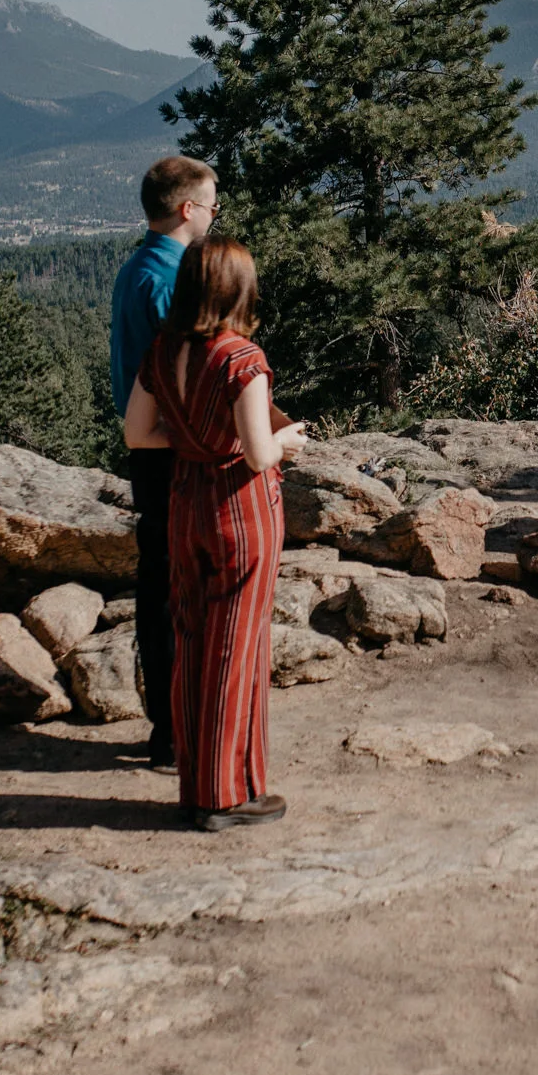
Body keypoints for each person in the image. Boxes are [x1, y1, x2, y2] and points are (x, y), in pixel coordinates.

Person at [123, 238, 307, 831]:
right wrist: (289, 441)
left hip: (185, 504)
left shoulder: (163, 350)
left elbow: (136, 434)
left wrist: (191, 443)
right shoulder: (241, 359)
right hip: (240, 511)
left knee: (193, 638)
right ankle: (226, 795)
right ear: (235, 288)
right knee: (237, 646)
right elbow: (257, 455)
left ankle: (198, 784)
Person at [110, 155, 218, 768]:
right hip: (176, 454)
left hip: (149, 450)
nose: (213, 212)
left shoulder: (135, 270)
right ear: (186, 209)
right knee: (182, 589)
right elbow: (191, 378)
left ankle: (167, 727)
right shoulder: (175, 281)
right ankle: (179, 731)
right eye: (209, 204)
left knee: (159, 585)